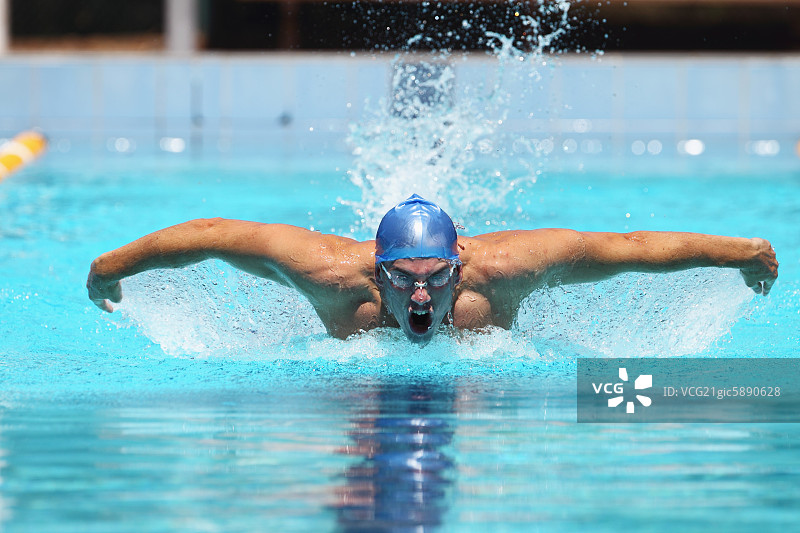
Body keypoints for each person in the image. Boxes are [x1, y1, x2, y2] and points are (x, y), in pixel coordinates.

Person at [87, 194, 778, 345]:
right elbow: (212, 233)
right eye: (403, 276)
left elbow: (629, 249)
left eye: (435, 275)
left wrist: (740, 251)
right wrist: (109, 267)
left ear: (462, 260)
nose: (420, 291)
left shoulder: (505, 270)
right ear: (375, 266)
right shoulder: (330, 274)